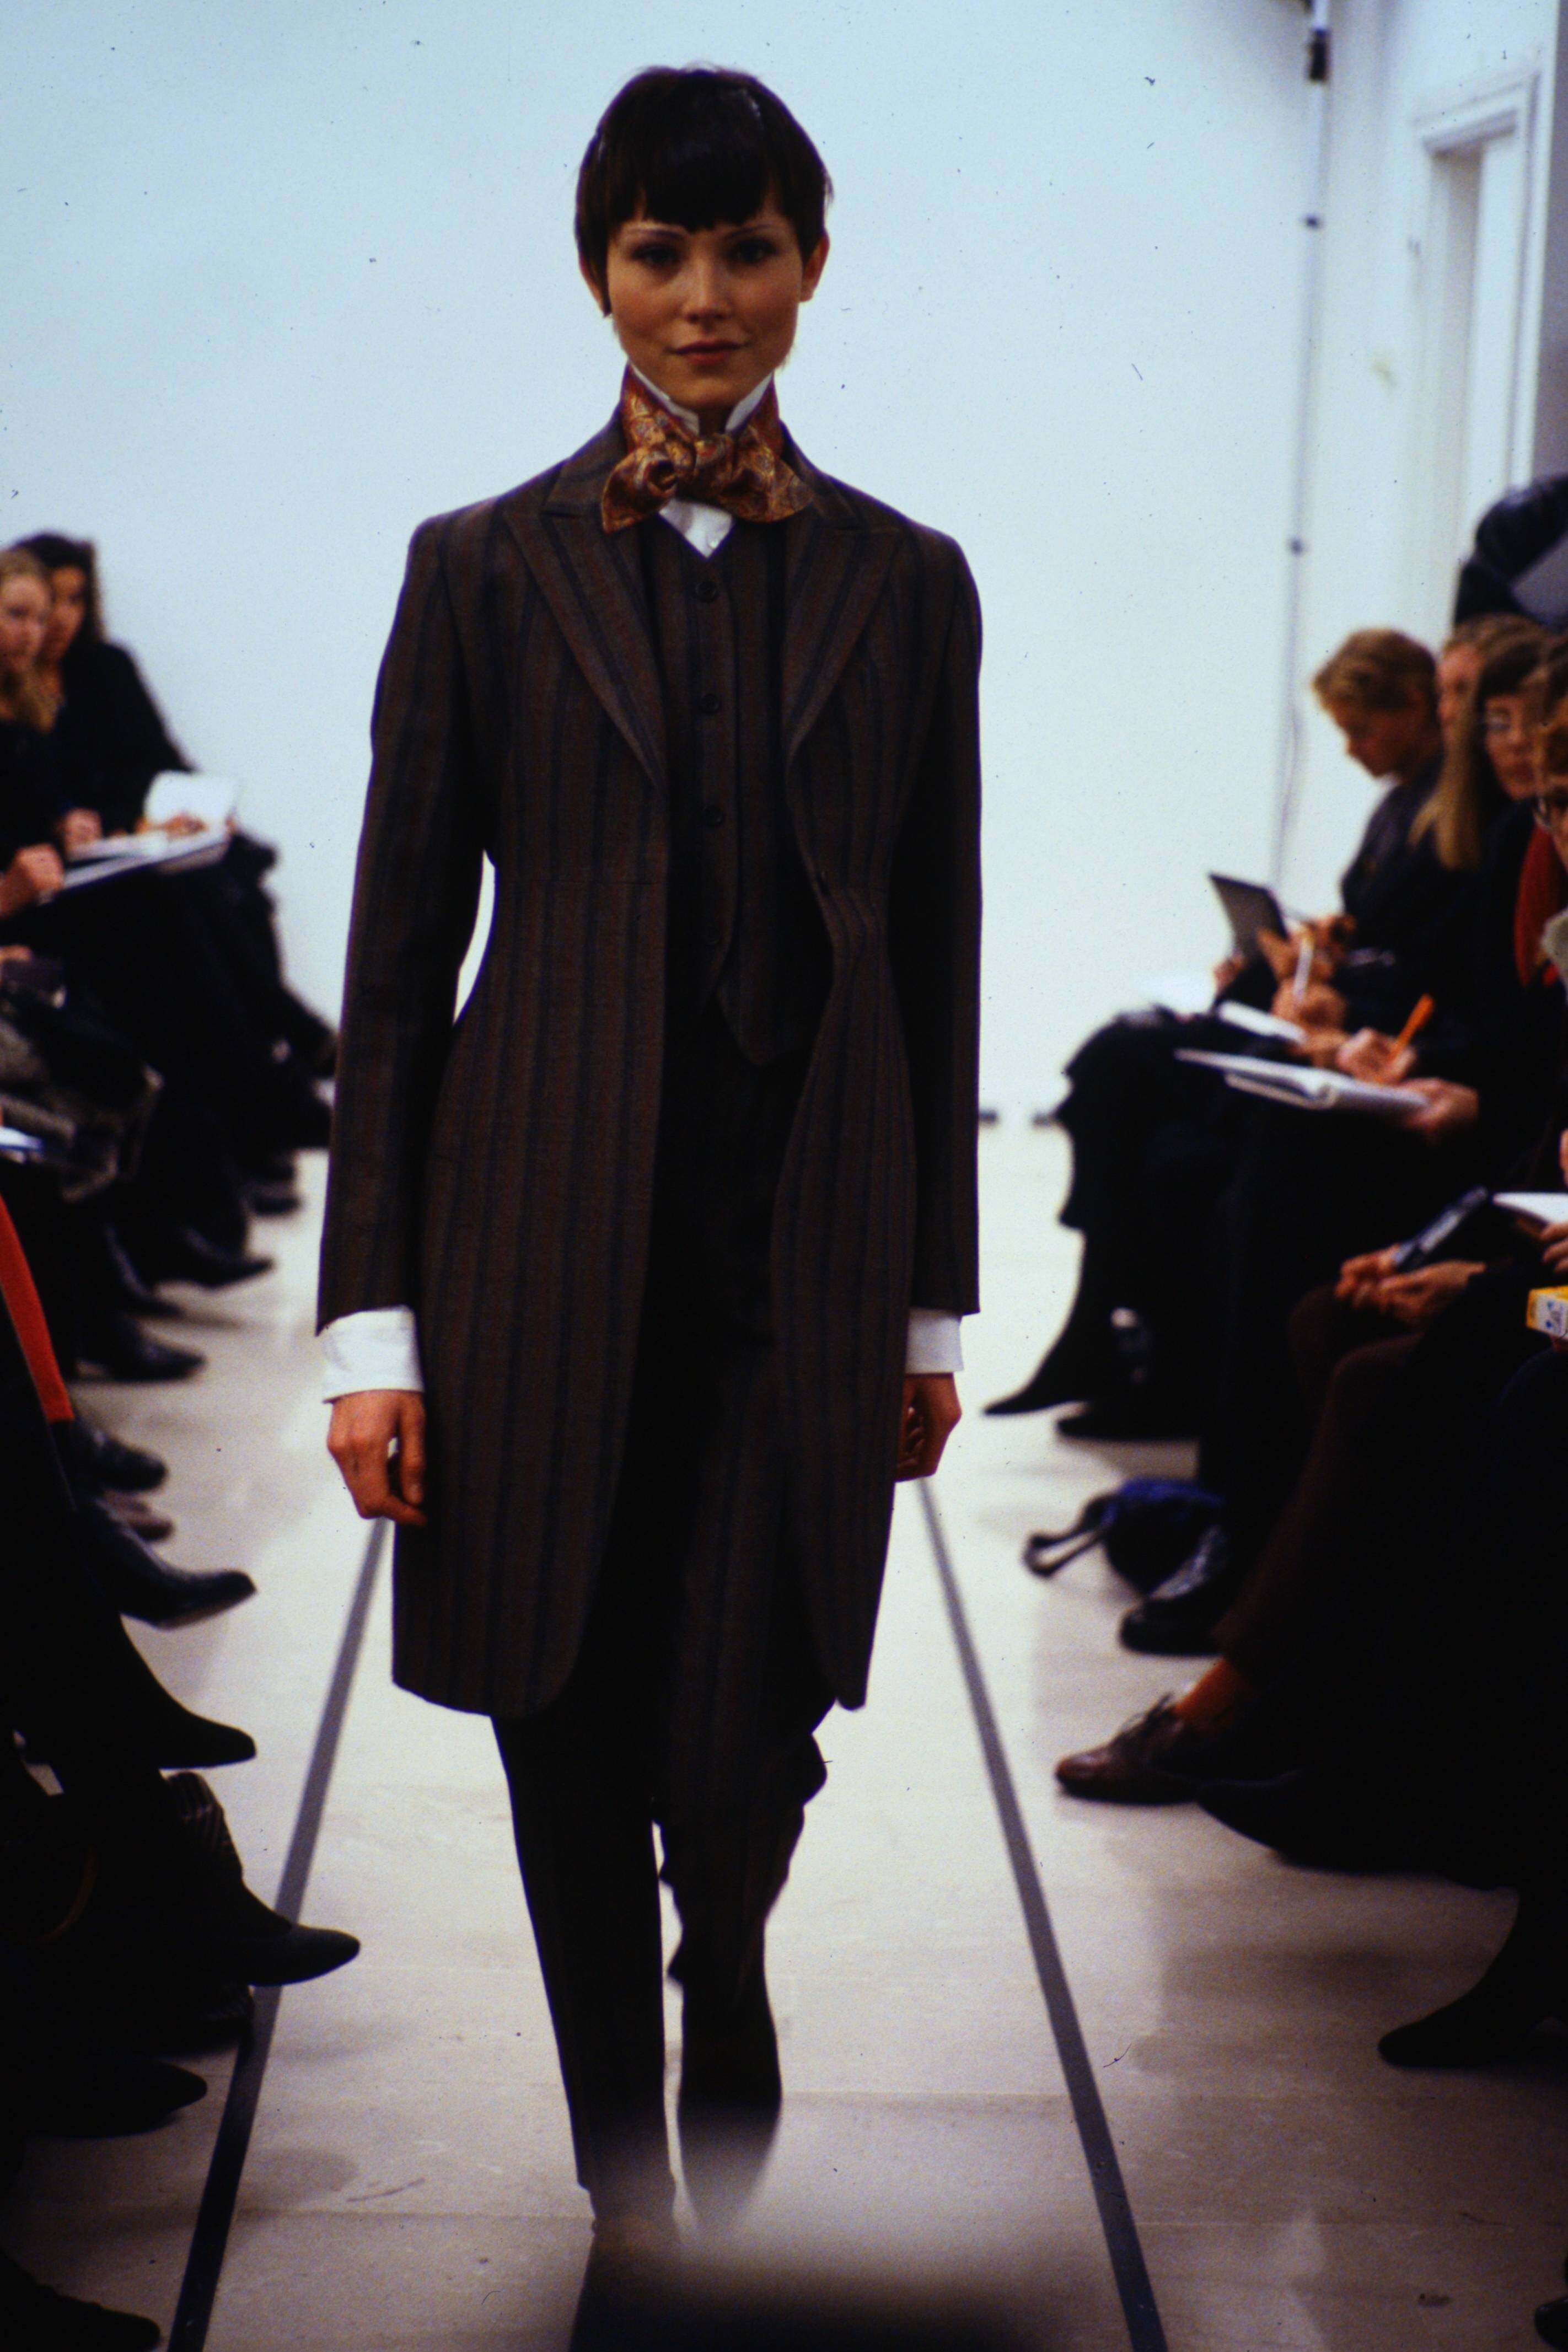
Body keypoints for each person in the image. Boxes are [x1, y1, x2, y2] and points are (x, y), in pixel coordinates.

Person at [318, 63, 980, 2312]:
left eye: (748, 248)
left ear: (812, 261)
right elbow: (393, 969)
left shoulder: (908, 582)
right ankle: (629, 2194)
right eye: (660, 252)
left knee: (737, 1734)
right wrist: (375, 1330)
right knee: (566, 1722)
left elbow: (942, 947)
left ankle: (736, 1956)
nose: (706, 296)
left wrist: (930, 1306)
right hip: (528, 1249)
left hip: (802, 1249)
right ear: (600, 270)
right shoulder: (480, 569)